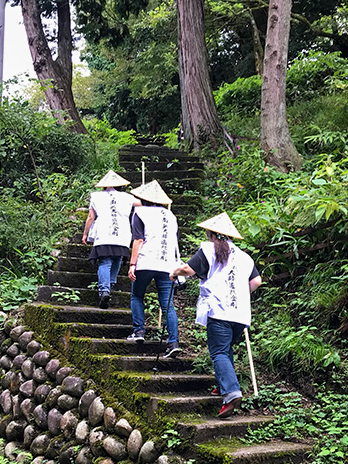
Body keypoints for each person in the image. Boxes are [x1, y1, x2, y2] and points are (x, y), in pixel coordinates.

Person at [170, 212, 262, 418]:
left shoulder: (208, 250)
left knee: (219, 353)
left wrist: (175, 272)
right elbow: (256, 282)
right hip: (240, 315)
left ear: (211, 234)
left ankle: (231, 393)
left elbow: (189, 270)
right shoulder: (245, 257)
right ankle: (223, 386)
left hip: (220, 311)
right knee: (225, 349)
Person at [126, 180, 182, 359]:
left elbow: (138, 240)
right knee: (167, 304)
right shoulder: (170, 216)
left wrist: (132, 264)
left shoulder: (139, 212)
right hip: (167, 265)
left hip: (146, 261)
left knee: (137, 295)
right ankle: (173, 342)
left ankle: (139, 331)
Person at [82, 170, 141, 309]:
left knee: (104, 262)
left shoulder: (96, 196)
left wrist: (85, 234)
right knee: (117, 259)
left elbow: (91, 217)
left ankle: (104, 290)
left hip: (103, 235)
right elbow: (141, 203)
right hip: (122, 235)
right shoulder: (127, 197)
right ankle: (111, 285)